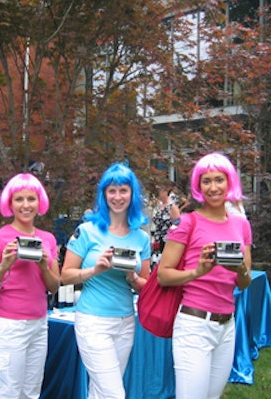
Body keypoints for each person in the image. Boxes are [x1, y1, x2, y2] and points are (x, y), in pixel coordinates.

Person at [157, 152, 252, 399]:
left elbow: (245, 281)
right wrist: (197, 271)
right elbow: (163, 276)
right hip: (194, 324)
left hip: (227, 326)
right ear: (198, 186)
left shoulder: (241, 225)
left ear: (229, 182)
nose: (213, 187)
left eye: (219, 180)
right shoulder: (188, 223)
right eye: (206, 181)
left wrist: (240, 269)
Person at [61, 163, 151, 399]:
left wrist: (132, 278)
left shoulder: (141, 237)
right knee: (114, 394)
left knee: (101, 392)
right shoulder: (87, 231)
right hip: (93, 321)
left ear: (132, 194)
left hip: (125, 322)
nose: (117, 197)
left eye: (123, 190)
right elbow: (65, 275)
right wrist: (95, 269)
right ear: (103, 194)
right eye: (112, 191)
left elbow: (147, 286)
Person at [0, 173, 60, 399]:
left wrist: (44, 265)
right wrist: (3, 266)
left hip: (39, 324)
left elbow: (54, 286)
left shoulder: (48, 239)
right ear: (10, 203)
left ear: (39, 202)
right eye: (19, 199)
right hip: (8, 326)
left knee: (31, 393)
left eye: (31, 199)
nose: (26, 205)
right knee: (6, 392)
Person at [152, 183, 181, 253]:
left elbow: (178, 223)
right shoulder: (160, 206)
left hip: (167, 240)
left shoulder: (172, 207)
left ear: (165, 192)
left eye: (159, 191)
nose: (158, 194)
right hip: (158, 239)